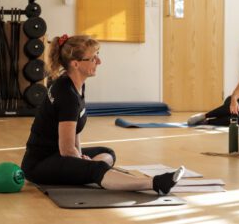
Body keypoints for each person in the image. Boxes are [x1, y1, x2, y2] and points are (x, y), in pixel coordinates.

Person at [21, 34, 185, 194]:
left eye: (97, 56)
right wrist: (80, 160)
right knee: (97, 167)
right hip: (40, 166)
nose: (99, 61)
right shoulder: (67, 95)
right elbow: (66, 149)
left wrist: (80, 158)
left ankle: (93, 173)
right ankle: (155, 183)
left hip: (57, 157)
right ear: (76, 64)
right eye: (93, 58)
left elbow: (74, 131)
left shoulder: (75, 85)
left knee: (107, 154)